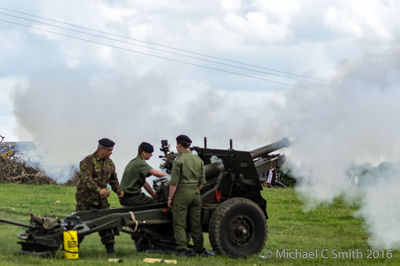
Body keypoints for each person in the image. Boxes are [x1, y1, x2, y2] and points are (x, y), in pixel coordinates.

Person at [75, 138, 124, 255]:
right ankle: (72, 248)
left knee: (106, 224)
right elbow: (87, 179)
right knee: (80, 224)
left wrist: (118, 191)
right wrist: (99, 190)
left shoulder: (109, 163)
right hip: (86, 200)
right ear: (101, 149)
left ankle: (110, 250)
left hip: (102, 201)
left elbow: (113, 179)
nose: (110, 153)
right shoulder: (87, 161)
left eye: (112, 150)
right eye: (108, 150)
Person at [168, 135, 208, 256]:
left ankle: (181, 248)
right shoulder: (199, 160)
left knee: (179, 223)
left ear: (180, 146)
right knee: (196, 223)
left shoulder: (178, 160)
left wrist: (170, 198)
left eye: (177, 146)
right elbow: (203, 182)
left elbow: (174, 182)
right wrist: (194, 189)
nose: (176, 148)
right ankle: (199, 248)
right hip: (196, 194)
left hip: (182, 194)